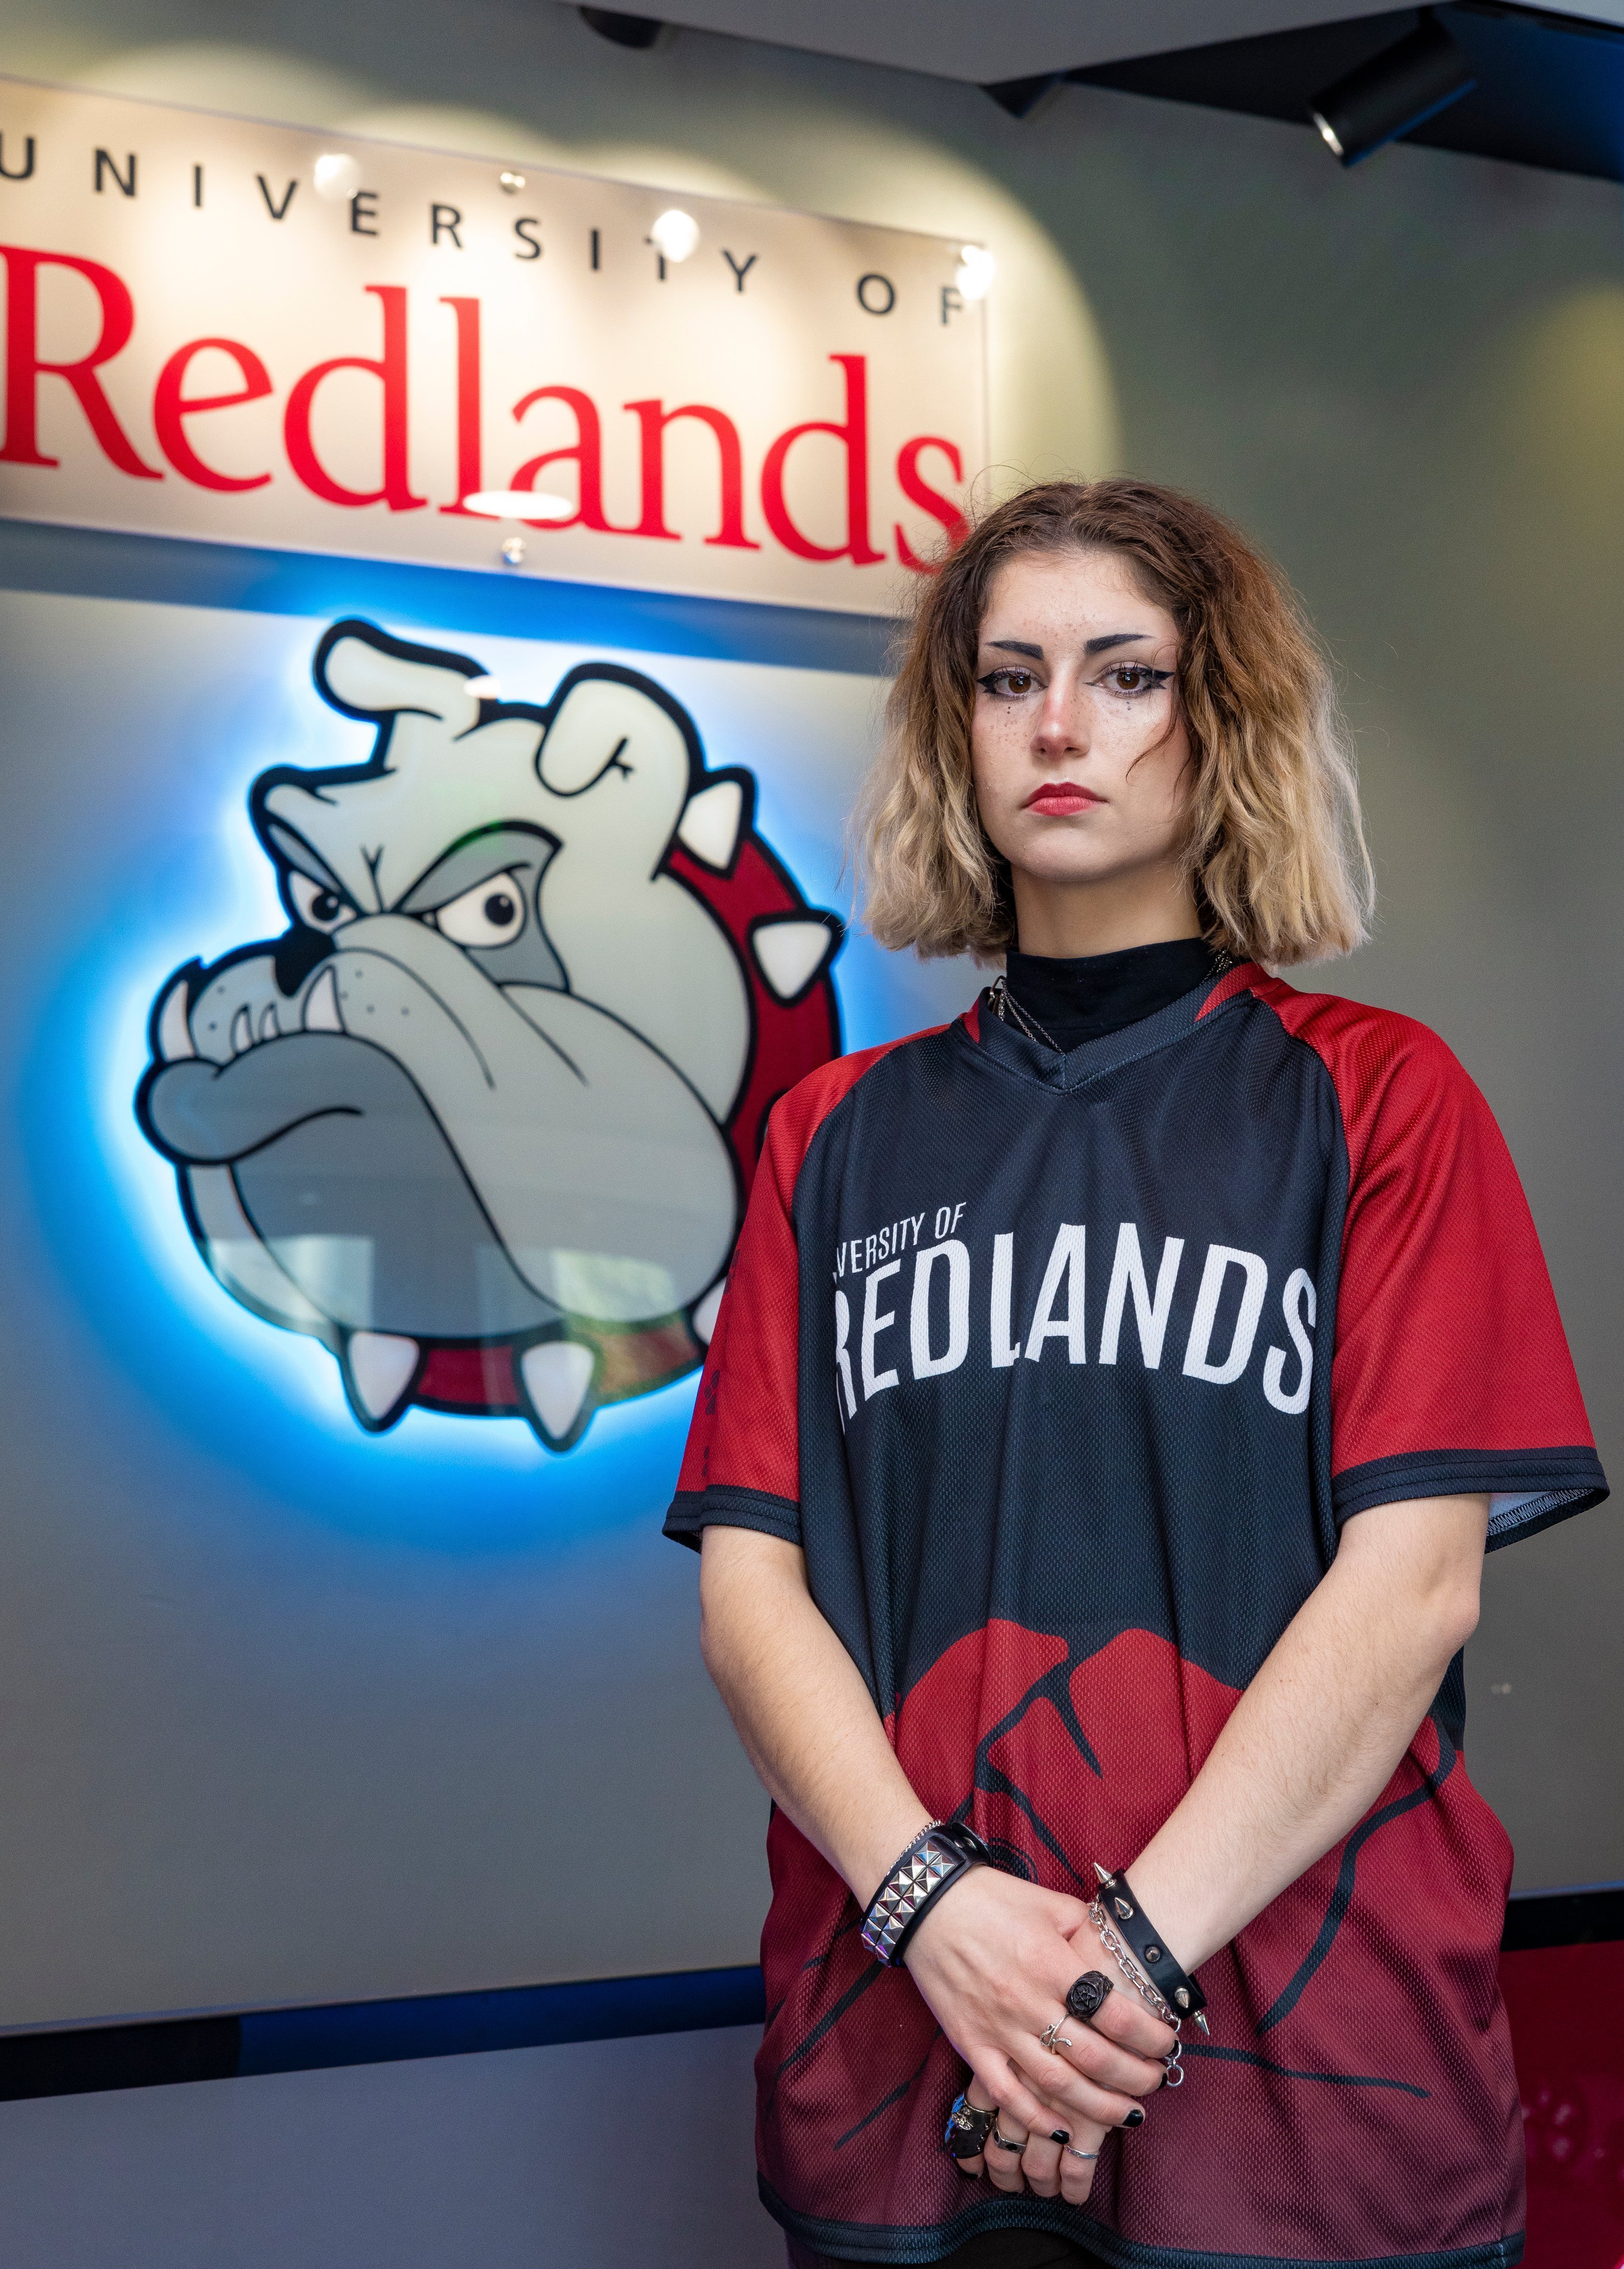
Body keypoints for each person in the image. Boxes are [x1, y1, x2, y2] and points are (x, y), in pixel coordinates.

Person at [664, 478, 1606, 2269]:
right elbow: (750, 1590)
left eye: (1126, 673)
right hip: (902, 2040)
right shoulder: (830, 1135)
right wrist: (938, 1912)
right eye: (1007, 676)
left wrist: (1103, 1983)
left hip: (1305, 2074)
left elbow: (1408, 1588)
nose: (1061, 725)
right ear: (959, 730)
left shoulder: (1377, 1100)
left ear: (1219, 720)